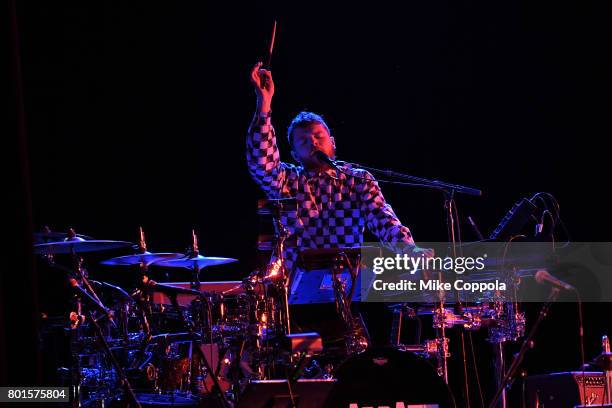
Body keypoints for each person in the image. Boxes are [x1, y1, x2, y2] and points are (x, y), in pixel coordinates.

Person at [247, 62, 431, 274]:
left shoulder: (357, 179)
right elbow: (260, 162)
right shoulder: (287, 180)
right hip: (295, 289)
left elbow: (382, 218)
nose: (313, 143)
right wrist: (264, 103)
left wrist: (408, 249)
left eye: (318, 136)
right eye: (304, 141)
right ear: (295, 155)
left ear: (332, 142)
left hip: (346, 282)